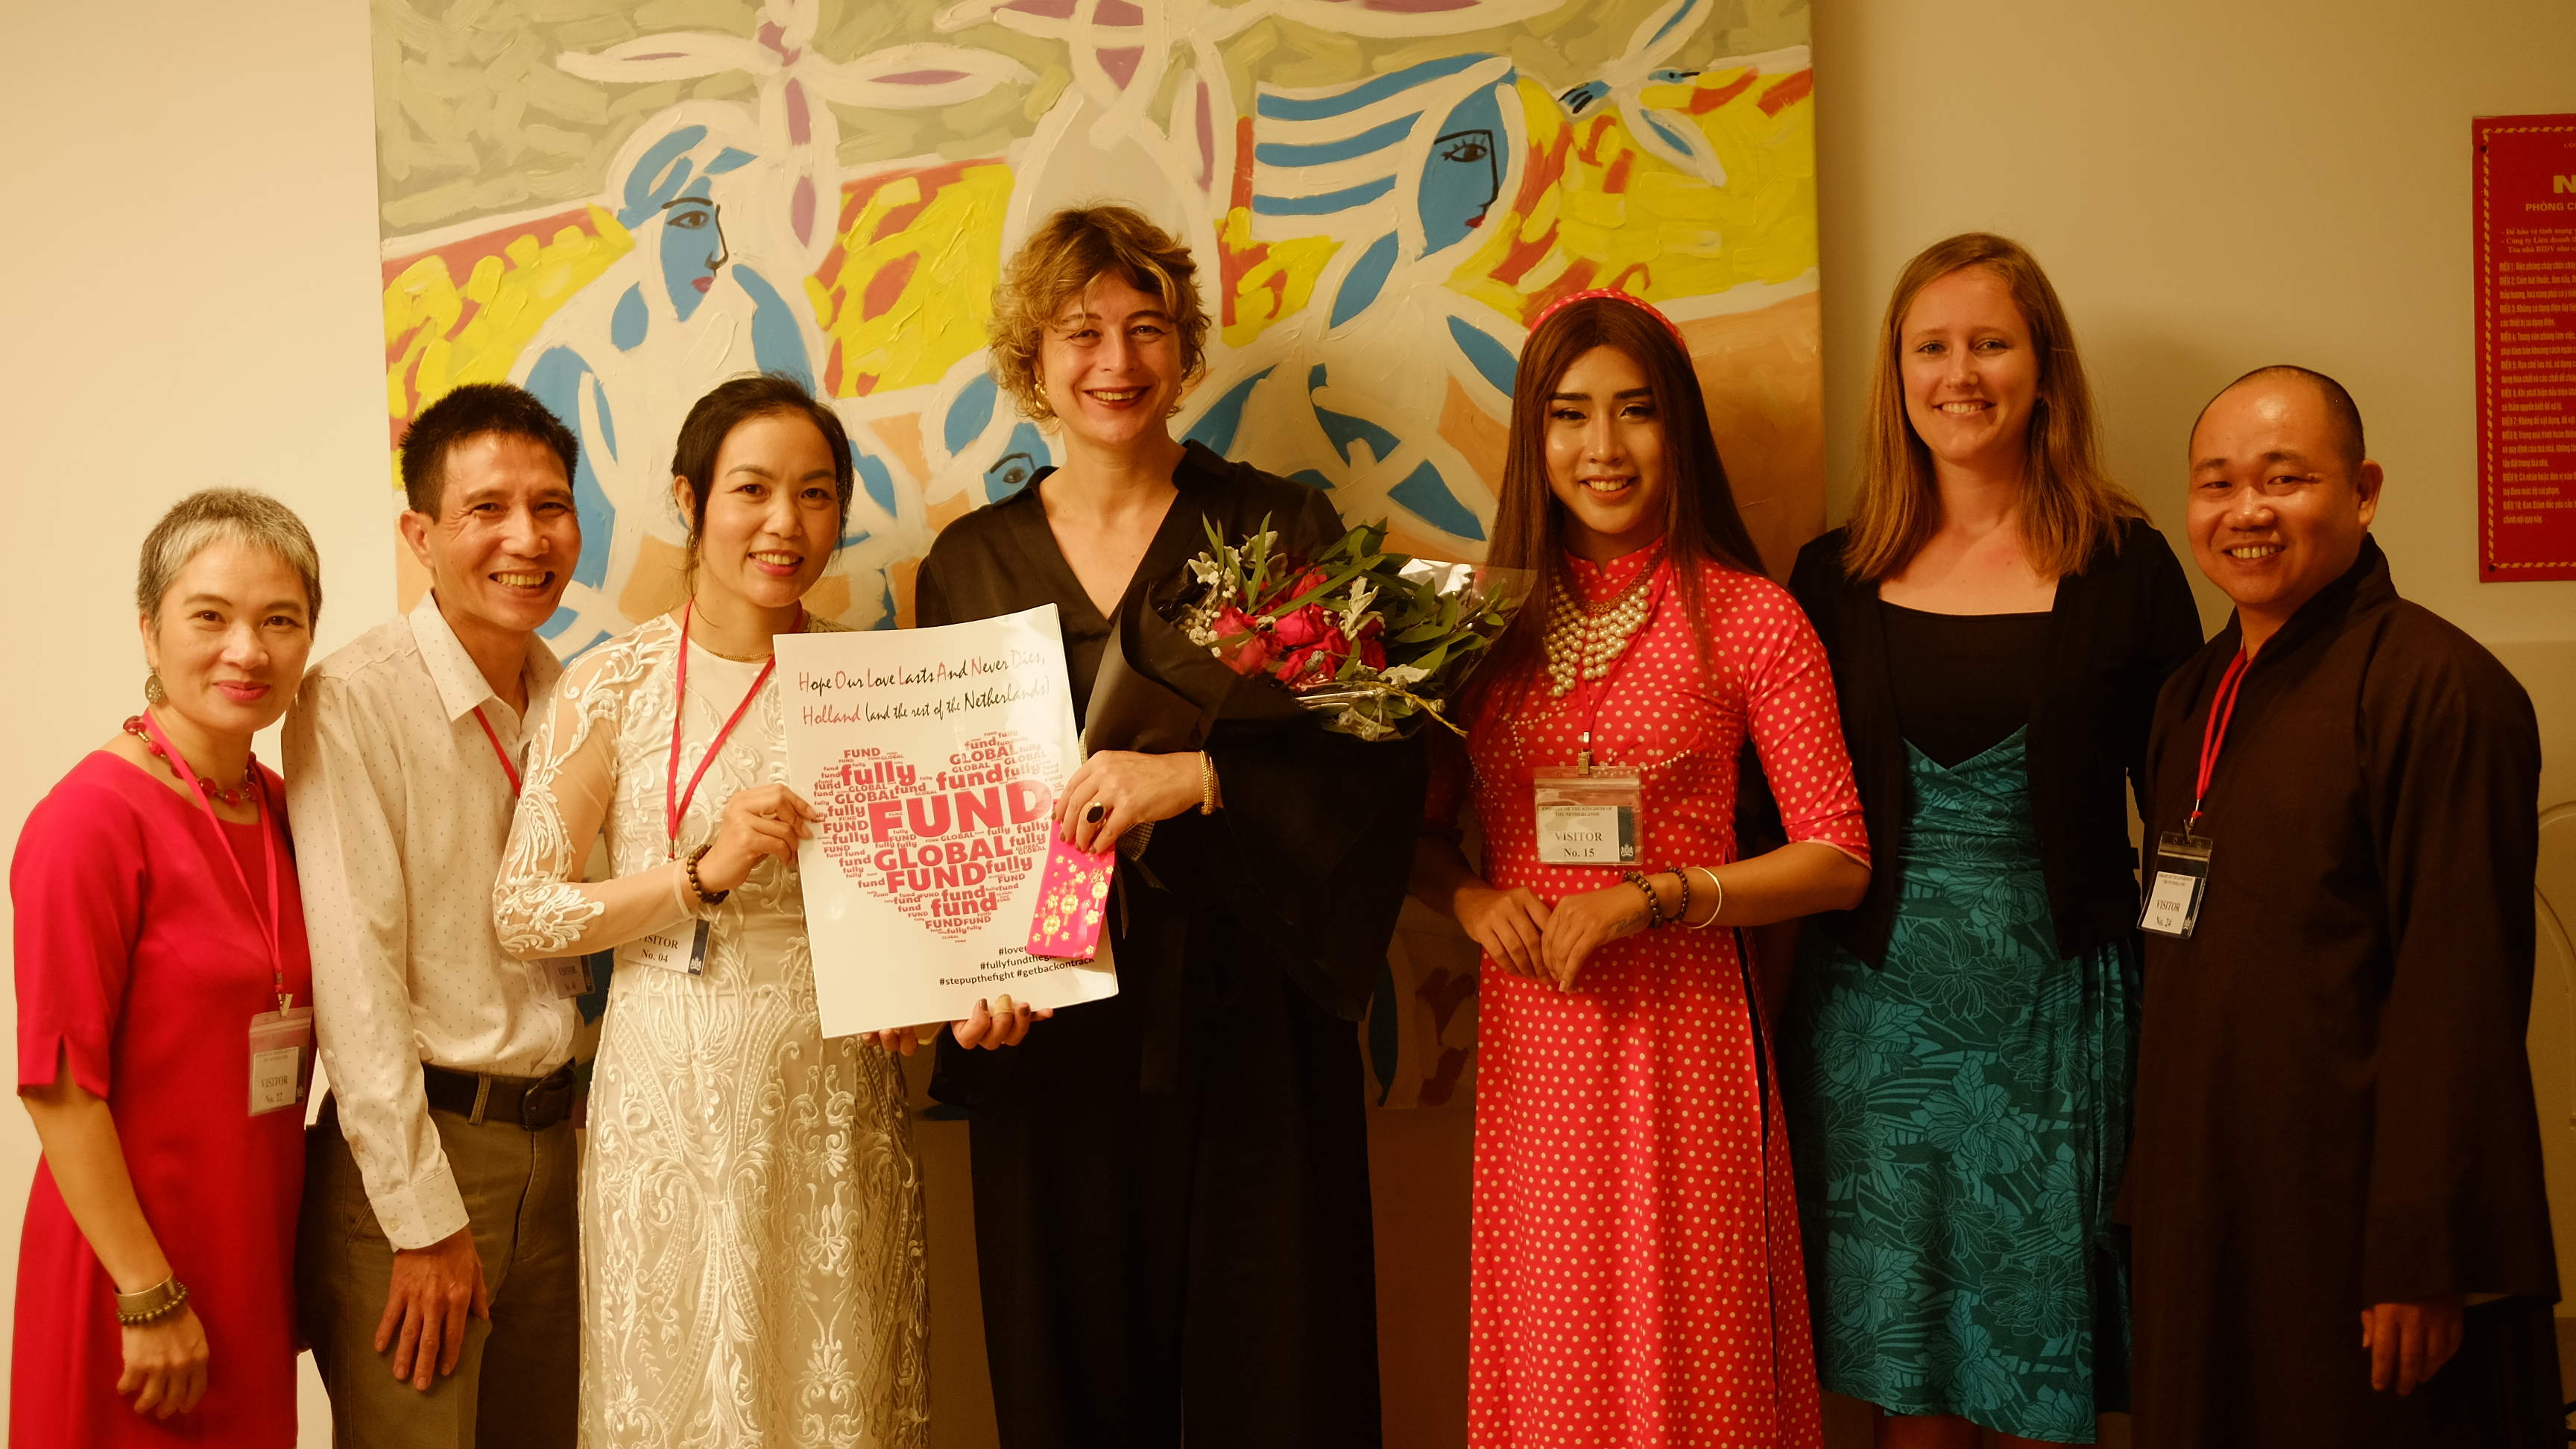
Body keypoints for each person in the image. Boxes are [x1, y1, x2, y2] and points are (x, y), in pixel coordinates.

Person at [915, 205, 1425, 1448]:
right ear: (1033, 357)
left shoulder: (1280, 528)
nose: (1116, 361)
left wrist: (1200, 778)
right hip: (1051, 1027)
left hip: (1254, 1010)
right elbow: (939, 809)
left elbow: (1377, 760)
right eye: (1081, 330)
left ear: (1185, 348)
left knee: (1280, 1379)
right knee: (1071, 1381)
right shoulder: (967, 565)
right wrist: (961, 983)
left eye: (1146, 327)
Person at [1408, 289, 1872, 1446]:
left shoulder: (1755, 619)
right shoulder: (1474, 629)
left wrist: (1659, 896)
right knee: (1556, 1350)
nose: (1603, 447)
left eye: (1636, 411)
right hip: (1538, 1040)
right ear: (1534, 436)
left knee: (1692, 1342)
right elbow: (1412, 838)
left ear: (1680, 429)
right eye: (1569, 415)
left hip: (1689, 1038)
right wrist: (1471, 897)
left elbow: (1838, 856)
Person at [1775, 234, 2202, 1448]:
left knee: (2039, 1371)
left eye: (1991, 343)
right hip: (1871, 1039)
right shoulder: (1829, 576)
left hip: (2062, 1026)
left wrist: (2191, 1013)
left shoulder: (2128, 566)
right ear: (1897, 373)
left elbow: (2189, 821)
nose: (1960, 373)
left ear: (2043, 367)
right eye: (1933, 347)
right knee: (1907, 1371)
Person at [490, 372, 929, 1446]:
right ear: (691, 500)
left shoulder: (875, 685)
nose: (786, 524)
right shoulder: (613, 685)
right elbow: (524, 911)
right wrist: (696, 876)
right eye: (752, 490)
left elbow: (920, 904)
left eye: (816, 494)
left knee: (834, 1392)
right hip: (667, 1096)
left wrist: (927, 986)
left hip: (831, 1093)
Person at [2126, 365, 2561, 1445]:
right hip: (2214, 1204)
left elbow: (2460, 996)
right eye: (2218, 484)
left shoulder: (2439, 690)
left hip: (2362, 1228)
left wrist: (2428, 1254)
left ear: (2363, 492)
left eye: (2285, 479)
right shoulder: (2190, 694)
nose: (2247, 511)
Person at [285, 382, 585, 1446]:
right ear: (421, 536)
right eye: (487, 509)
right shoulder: (353, 699)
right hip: (426, 1157)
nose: (527, 539)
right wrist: (420, 1223)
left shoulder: (575, 696)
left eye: (551, 507)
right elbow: (354, 980)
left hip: (564, 1153)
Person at [13, 489, 323, 1443]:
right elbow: (58, 1086)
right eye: (210, 617)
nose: (248, 651)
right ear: (149, 629)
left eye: (281, 621)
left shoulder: (287, 807)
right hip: (130, 1276)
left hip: (248, 1262)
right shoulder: (90, 820)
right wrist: (146, 1291)